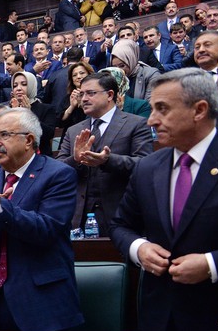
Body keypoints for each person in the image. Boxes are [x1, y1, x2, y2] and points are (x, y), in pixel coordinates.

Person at [110, 68, 218, 331]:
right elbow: (120, 225)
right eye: (152, 109)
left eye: (162, 109)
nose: (151, 120)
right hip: (159, 324)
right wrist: (139, 248)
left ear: (199, 110)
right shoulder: (147, 167)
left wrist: (212, 265)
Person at [0, 108, 84, 331]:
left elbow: (46, 229)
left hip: (41, 304)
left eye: (3, 135)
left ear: (28, 140)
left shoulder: (59, 174)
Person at [55, 72, 153, 235]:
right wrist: (76, 159)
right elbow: (57, 170)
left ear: (109, 95)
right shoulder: (74, 131)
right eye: (81, 94)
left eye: (90, 93)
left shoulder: (135, 124)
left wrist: (108, 161)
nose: (84, 99)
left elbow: (146, 165)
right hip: (78, 219)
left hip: (121, 215)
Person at [9, 71, 57, 156]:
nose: (18, 88)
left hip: (40, 157)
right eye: (15, 85)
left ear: (32, 86)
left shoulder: (46, 108)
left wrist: (28, 114)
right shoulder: (9, 109)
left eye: (24, 84)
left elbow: (48, 134)